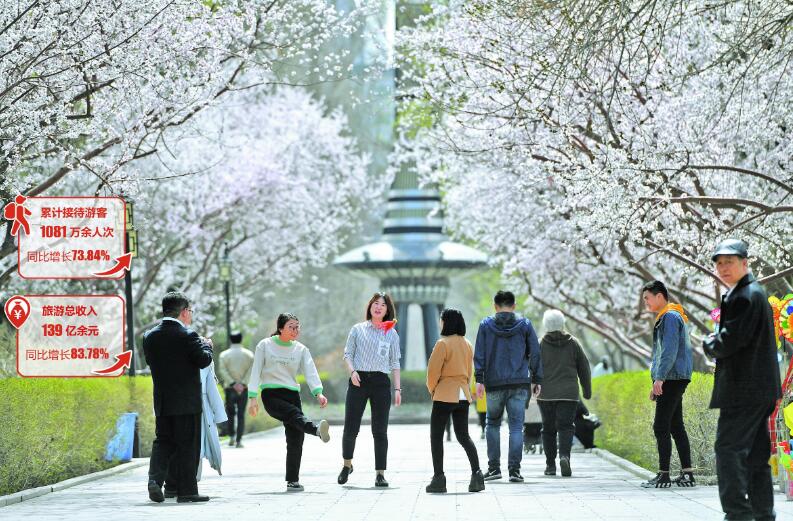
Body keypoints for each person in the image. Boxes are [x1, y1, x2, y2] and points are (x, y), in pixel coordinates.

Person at [703, 239, 781, 520]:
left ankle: (738, 512)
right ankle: (763, 514)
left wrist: (708, 342)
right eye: (719, 263)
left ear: (745, 263)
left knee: (728, 448)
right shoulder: (748, 293)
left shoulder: (745, 296)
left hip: (744, 389)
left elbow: (729, 342)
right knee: (756, 455)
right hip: (757, 389)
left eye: (730, 262)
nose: (723, 268)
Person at [143, 291, 213, 503]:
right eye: (190, 311)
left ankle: (156, 481)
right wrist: (207, 346)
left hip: (163, 400)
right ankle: (188, 492)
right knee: (187, 445)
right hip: (187, 402)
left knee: (163, 441)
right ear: (183, 312)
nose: (190, 315)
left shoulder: (149, 336)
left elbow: (150, 363)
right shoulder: (189, 336)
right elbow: (203, 361)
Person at [247, 313, 330, 492]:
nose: (295, 330)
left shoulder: (300, 349)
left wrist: (319, 393)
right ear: (281, 328)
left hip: (292, 394)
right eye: (291, 326)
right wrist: (252, 397)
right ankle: (316, 430)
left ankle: (293, 480)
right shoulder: (265, 345)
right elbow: (256, 371)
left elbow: (311, 371)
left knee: (295, 439)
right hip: (271, 394)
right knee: (295, 416)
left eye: (297, 327)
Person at [474, 290, 543, 483]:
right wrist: (537, 379)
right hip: (519, 383)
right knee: (515, 427)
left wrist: (479, 379)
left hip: (494, 383)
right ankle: (514, 471)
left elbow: (479, 353)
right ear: (514, 306)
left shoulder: (486, 325)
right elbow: (535, 353)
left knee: (492, 424)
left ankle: (494, 468)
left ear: (495, 306)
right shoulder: (525, 325)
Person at [338, 292, 402, 487]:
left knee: (380, 430)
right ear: (370, 306)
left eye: (383, 305)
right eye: (376, 303)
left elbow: (395, 362)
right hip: (358, 381)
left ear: (387, 310)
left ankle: (380, 474)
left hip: (381, 383)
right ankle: (347, 464)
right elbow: (348, 354)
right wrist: (352, 372)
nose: (378, 307)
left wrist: (397, 389)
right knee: (351, 427)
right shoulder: (358, 329)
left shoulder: (391, 333)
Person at [640, 280, 695, 488]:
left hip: (672, 377)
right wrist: (657, 379)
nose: (645, 302)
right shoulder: (670, 315)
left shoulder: (670, 317)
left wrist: (660, 378)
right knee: (675, 425)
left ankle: (664, 474)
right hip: (674, 376)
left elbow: (669, 350)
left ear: (659, 296)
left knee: (661, 425)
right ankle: (687, 473)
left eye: (647, 298)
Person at [425, 308, 485, 494]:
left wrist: (433, 390)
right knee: (463, 436)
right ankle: (477, 474)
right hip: (462, 394)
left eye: (442, 320)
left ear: (446, 322)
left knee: (436, 436)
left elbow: (432, 373)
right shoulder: (467, 344)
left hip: (444, 393)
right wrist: (466, 390)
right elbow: (469, 372)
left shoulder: (442, 344)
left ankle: (439, 479)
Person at [536, 309, 591, 477]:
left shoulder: (540, 344)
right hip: (569, 394)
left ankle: (550, 465)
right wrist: (586, 390)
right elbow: (584, 368)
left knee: (548, 429)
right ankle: (565, 457)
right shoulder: (573, 343)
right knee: (566, 427)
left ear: (546, 325)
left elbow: (532, 368)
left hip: (546, 394)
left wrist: (530, 388)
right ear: (562, 323)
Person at [218, 331, 254, 448]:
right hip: (244, 388)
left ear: (230, 339)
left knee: (230, 413)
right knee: (241, 415)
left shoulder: (224, 355)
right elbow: (251, 371)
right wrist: (242, 384)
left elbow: (223, 371)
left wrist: (233, 383)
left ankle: (232, 437)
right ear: (241, 339)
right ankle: (239, 440)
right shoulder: (249, 355)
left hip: (230, 388)